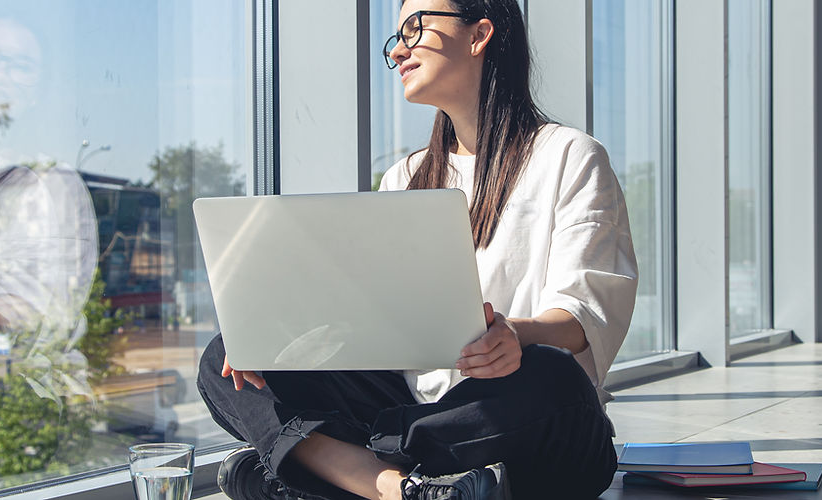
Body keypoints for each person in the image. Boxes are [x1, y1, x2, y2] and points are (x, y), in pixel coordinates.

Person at [196, 1, 638, 499]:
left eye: (414, 28)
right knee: (225, 359)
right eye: (396, 38)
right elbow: (369, 320)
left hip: (518, 425)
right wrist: (273, 342)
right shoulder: (405, 178)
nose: (399, 51)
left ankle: (324, 472)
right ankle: (396, 488)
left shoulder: (569, 156)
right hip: (414, 407)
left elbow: (588, 312)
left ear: (480, 34)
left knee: (552, 376)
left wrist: (516, 333)